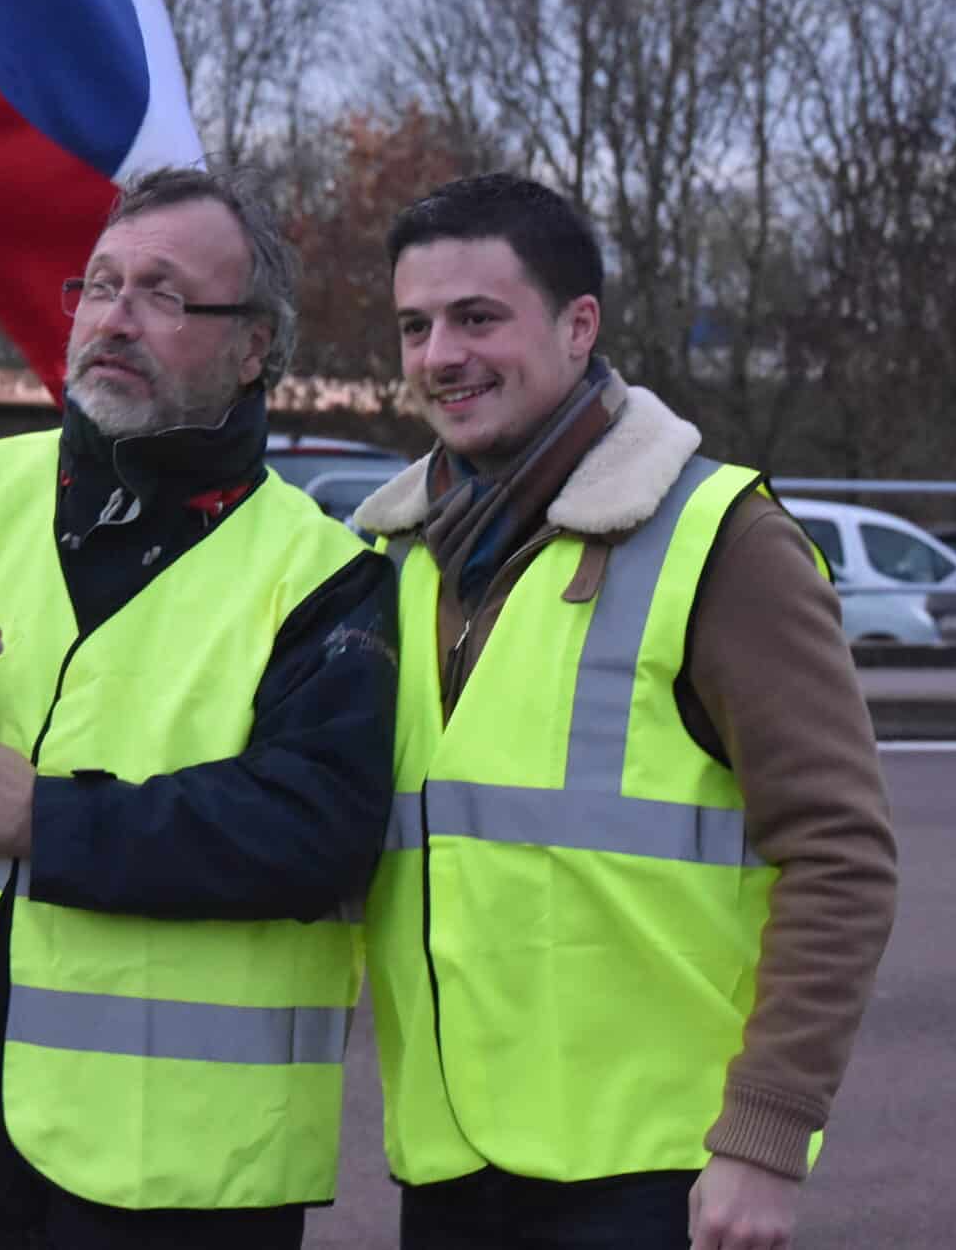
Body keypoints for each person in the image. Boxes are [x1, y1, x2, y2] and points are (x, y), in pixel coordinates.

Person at [0, 166, 399, 1250]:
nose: (113, 316)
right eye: (100, 284)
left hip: (179, 1170)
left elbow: (318, 830)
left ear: (254, 348)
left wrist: (50, 819)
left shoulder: (329, 574)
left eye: (162, 292)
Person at [354, 175, 899, 1250]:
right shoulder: (397, 557)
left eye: (477, 317)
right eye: (415, 326)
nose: (438, 356)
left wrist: (763, 1139)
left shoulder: (721, 540)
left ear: (577, 325)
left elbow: (840, 852)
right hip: (454, 1166)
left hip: (663, 1176)